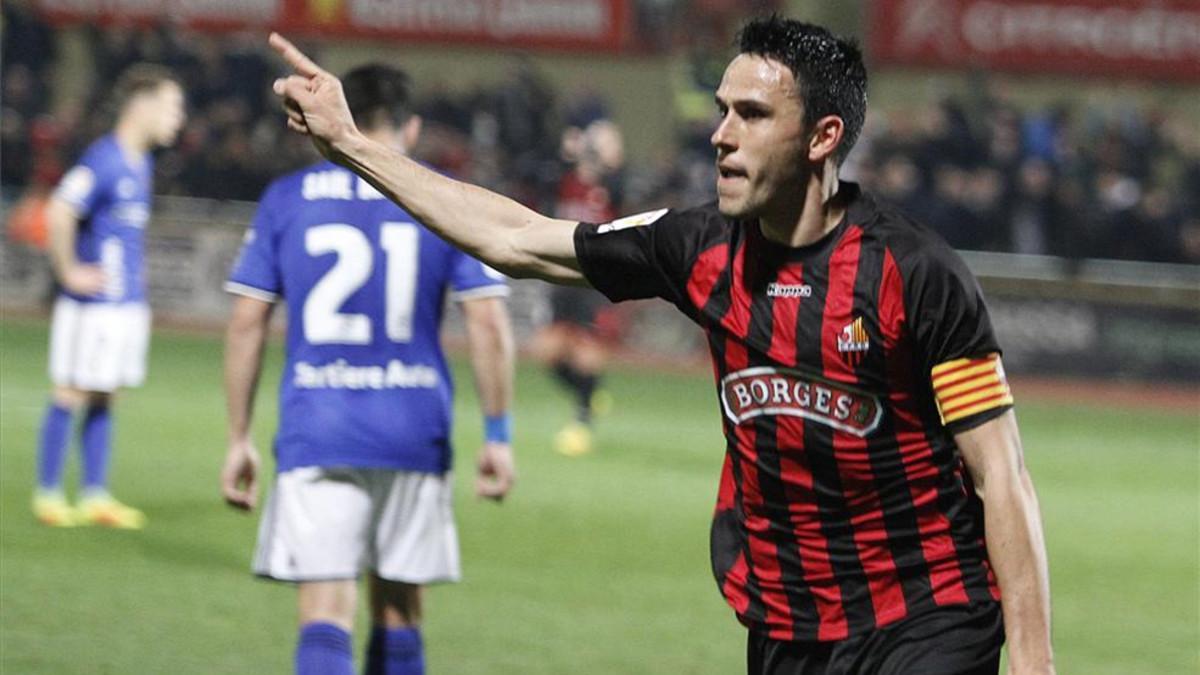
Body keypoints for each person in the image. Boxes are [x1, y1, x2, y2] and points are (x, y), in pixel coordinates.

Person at [268, 15, 1055, 675]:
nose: (720, 135)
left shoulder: (915, 275)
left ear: (823, 136)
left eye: (751, 115)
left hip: (928, 615)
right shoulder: (696, 246)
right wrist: (353, 146)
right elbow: (516, 239)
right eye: (722, 110)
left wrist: (1033, 658)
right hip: (785, 624)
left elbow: (1002, 474)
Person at [221, 63, 517, 675]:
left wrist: (238, 438)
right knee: (400, 608)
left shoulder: (287, 198)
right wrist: (497, 435)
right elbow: (486, 324)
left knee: (325, 609)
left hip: (318, 425)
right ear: (410, 126)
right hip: (412, 427)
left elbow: (248, 322)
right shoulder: (444, 200)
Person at [33, 63, 185, 529]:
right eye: (172, 107)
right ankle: (49, 493)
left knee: (106, 394)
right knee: (72, 390)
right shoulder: (105, 158)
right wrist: (69, 271)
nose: (178, 119)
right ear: (142, 106)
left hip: (124, 304)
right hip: (92, 304)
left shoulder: (141, 163)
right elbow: (58, 210)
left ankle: (96, 494)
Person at [536, 119, 626, 456]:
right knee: (548, 352)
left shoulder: (612, 186)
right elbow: (536, 172)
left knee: (588, 350)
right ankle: (587, 393)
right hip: (561, 276)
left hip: (594, 276)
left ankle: (581, 423)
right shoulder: (562, 180)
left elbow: (621, 179)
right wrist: (563, 151)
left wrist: (611, 156)